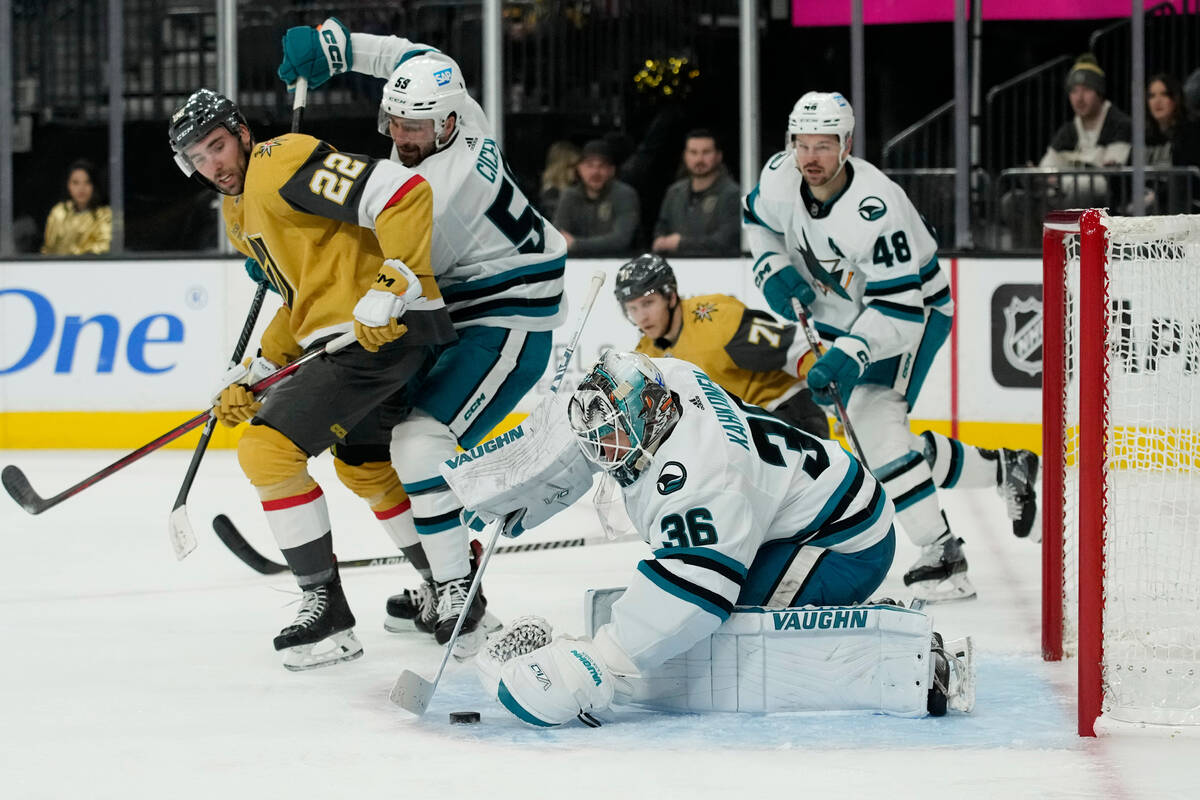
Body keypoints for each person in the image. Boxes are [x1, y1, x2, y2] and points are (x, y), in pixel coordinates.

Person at [441, 351, 973, 725]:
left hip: (841, 537)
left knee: (729, 643)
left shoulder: (702, 477)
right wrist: (538, 480)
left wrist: (598, 664)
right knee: (703, 626)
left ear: (651, 416)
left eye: (613, 438)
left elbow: (695, 595)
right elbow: (596, 407)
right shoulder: (668, 379)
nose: (605, 452)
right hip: (791, 507)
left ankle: (906, 655)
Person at [276, 18, 568, 656]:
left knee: (417, 444)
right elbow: (414, 54)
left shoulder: (439, 191)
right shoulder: (463, 109)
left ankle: (458, 587)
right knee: (380, 452)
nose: (401, 138)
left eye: (414, 129)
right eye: (394, 124)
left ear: (446, 125)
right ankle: (437, 575)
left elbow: (381, 270)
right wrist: (340, 49)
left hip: (508, 319)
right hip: (465, 313)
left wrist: (292, 245)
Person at [168, 88, 457, 670]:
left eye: (218, 147)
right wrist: (260, 369)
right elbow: (301, 299)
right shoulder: (237, 209)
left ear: (243, 134)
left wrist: (392, 285)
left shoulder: (280, 161)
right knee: (366, 468)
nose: (214, 165)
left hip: (379, 332)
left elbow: (403, 194)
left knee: (266, 452)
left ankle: (325, 612)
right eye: (198, 158)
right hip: (350, 338)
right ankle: (451, 588)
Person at [741, 91, 1039, 604]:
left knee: (877, 434)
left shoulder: (876, 208)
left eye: (824, 146)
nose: (810, 157)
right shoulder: (780, 175)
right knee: (881, 447)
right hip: (845, 315)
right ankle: (1002, 466)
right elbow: (757, 219)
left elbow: (901, 313)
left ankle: (942, 551)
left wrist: (847, 353)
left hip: (912, 315)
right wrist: (772, 268)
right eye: (802, 144)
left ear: (847, 144)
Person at [615, 253, 827, 437]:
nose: (641, 317)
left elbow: (793, 347)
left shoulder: (717, 321)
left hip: (787, 413)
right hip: (740, 432)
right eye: (632, 309)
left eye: (648, 303)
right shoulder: (647, 355)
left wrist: (827, 377)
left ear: (670, 297)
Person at [1038, 54, 1132, 208]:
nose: (1079, 98)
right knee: (1014, 201)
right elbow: (1044, 170)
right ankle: (1039, 233)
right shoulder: (1068, 131)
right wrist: (1049, 182)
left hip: (1108, 201)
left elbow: (1105, 180)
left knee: (1081, 191)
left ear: (1100, 93)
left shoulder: (1119, 124)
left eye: (1087, 90)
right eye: (1074, 91)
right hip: (1064, 193)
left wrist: (1059, 181)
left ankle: (1068, 231)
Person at [651, 129, 741, 257]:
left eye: (706, 152)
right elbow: (661, 228)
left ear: (718, 156)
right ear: (685, 156)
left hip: (720, 268)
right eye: (693, 152)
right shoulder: (674, 192)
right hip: (677, 267)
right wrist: (661, 241)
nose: (699, 159)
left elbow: (725, 240)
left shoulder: (732, 194)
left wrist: (681, 243)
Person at [552, 138, 641, 257]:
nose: (595, 172)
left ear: (611, 170)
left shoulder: (625, 194)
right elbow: (559, 238)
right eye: (589, 165)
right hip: (576, 264)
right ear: (579, 168)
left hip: (619, 262)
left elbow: (621, 240)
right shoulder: (569, 196)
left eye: (602, 166)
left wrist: (576, 244)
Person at [41, 159, 112, 255]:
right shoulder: (59, 212)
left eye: (87, 182)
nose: (81, 188)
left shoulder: (105, 215)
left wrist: (76, 255)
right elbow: (48, 248)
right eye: (75, 182)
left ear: (94, 186)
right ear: (68, 185)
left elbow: (104, 247)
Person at [538, 140, 580, 221]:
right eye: (572, 166)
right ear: (561, 167)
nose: (577, 170)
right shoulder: (551, 194)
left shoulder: (573, 188)